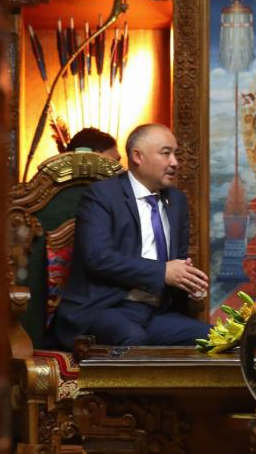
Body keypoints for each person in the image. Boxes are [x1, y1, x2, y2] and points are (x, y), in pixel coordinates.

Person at [53, 123, 211, 349]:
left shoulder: (177, 201)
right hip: (104, 308)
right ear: (138, 156)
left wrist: (189, 284)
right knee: (133, 338)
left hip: (155, 313)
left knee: (215, 339)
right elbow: (98, 258)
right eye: (166, 153)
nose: (175, 162)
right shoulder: (101, 196)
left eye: (175, 154)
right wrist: (162, 272)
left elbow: (178, 261)